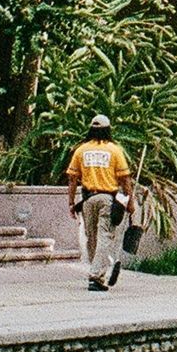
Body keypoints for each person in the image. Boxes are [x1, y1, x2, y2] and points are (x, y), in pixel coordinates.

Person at [65, 115, 133, 292]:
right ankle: (95, 276)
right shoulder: (114, 150)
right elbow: (125, 180)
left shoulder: (81, 150)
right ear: (108, 129)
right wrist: (130, 202)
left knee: (92, 238)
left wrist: (71, 203)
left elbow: (72, 179)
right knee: (105, 237)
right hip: (107, 200)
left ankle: (98, 274)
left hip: (88, 200)